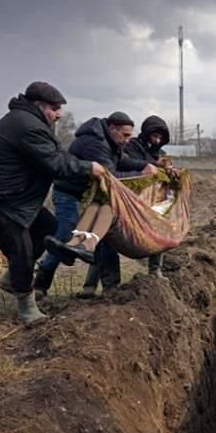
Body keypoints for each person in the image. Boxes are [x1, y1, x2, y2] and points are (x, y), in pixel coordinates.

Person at [0, 81, 106, 326]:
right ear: (39, 105)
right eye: (54, 108)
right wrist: (88, 168)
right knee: (21, 245)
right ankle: (27, 307)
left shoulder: (33, 123)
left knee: (48, 228)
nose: (59, 113)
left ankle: (12, 278)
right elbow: (55, 164)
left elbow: (57, 156)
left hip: (14, 193)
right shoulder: (28, 126)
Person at [31, 111, 157, 299]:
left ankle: (110, 286)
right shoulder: (95, 144)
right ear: (112, 128)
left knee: (105, 236)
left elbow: (122, 161)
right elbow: (110, 177)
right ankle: (41, 281)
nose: (127, 140)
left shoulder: (111, 143)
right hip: (70, 193)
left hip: (91, 197)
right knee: (65, 236)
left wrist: (145, 165)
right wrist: (142, 176)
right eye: (125, 135)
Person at [124, 115, 176, 278]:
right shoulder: (132, 146)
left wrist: (170, 170)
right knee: (111, 238)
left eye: (160, 137)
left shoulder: (160, 153)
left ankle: (155, 270)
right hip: (130, 198)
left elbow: (162, 171)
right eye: (155, 136)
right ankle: (93, 284)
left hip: (153, 199)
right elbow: (132, 163)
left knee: (160, 228)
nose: (157, 140)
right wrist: (156, 164)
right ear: (147, 134)